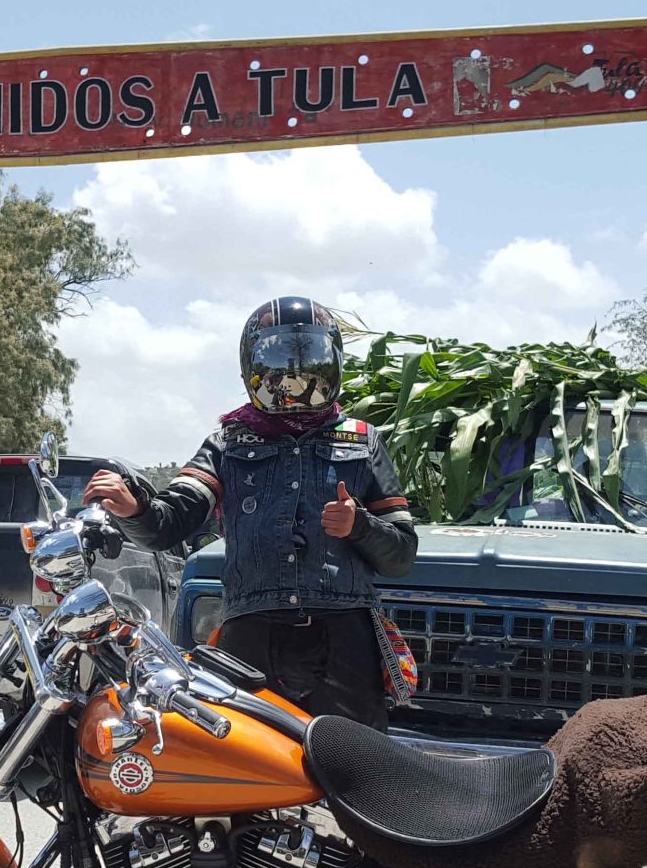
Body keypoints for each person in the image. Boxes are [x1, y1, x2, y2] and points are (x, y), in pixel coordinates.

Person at [85, 297, 419, 728]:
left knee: (357, 772)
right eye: (280, 360)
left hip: (344, 638)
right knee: (242, 771)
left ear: (333, 361)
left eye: (308, 358)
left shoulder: (362, 441)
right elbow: (171, 522)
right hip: (251, 639)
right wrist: (136, 510)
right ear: (252, 368)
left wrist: (360, 526)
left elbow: (402, 554)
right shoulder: (226, 443)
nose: (295, 377)